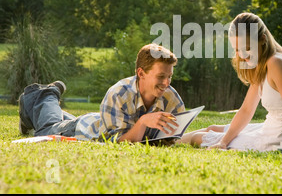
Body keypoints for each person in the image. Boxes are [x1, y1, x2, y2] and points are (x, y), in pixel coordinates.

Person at [180, 13, 282, 151]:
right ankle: (165, 140)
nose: (243, 55)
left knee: (198, 138)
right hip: (272, 127)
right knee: (212, 129)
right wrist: (223, 142)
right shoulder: (262, 62)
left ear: (262, 39)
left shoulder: (277, 63)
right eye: (237, 50)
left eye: (247, 48)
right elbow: (247, 110)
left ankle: (166, 142)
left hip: (280, 138)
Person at [18, 44, 185, 143]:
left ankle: (38, 107)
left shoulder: (171, 98)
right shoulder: (119, 94)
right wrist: (142, 122)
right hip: (83, 130)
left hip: (101, 120)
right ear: (141, 73)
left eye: (169, 76)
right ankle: (47, 95)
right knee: (47, 129)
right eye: (161, 76)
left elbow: (173, 136)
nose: (166, 83)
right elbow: (119, 142)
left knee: (54, 120)